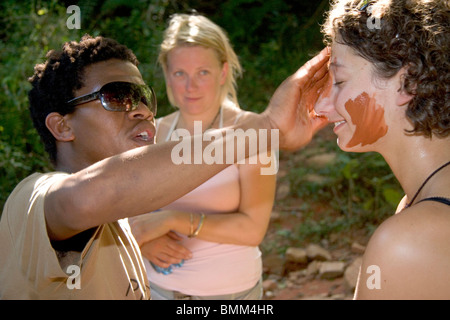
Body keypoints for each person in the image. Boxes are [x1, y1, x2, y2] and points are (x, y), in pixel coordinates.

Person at [0, 34, 329, 299]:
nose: (142, 109)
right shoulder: (34, 199)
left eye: (144, 96)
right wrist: (267, 128)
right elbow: (97, 192)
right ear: (62, 127)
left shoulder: (115, 223)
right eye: (117, 96)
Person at [130, 13, 276, 300]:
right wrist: (142, 242)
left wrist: (173, 219)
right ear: (167, 75)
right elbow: (123, 210)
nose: (190, 86)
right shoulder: (151, 134)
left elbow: (252, 229)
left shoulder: (252, 132)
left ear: (222, 73)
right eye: (180, 73)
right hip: (155, 290)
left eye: (203, 73)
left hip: (231, 295)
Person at [315, 0, 449, 299]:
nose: (319, 107)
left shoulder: (405, 243)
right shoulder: (422, 208)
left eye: (339, 80)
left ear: (407, 83)